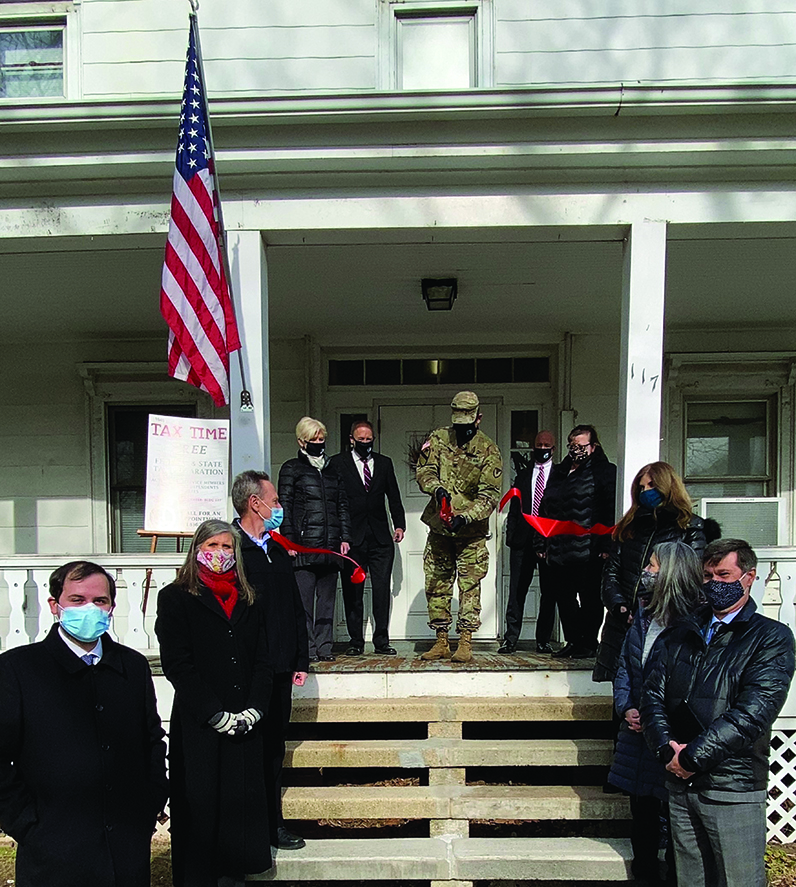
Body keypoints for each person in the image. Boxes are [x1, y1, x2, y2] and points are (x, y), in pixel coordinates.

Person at [0, 561, 168, 887]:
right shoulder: (18, 669)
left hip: (125, 851)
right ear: (55, 605)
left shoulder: (132, 667)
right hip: (52, 853)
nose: (89, 608)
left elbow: (151, 739)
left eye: (100, 601)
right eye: (77, 600)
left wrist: (150, 803)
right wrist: (25, 824)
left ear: (111, 607)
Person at [642, 538, 796, 887]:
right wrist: (667, 749)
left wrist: (693, 757)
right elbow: (652, 696)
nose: (715, 584)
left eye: (724, 575)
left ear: (749, 577)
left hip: (732, 787)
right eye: (708, 576)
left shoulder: (770, 638)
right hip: (680, 784)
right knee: (690, 880)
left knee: (738, 880)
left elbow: (754, 711)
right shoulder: (679, 633)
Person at [156, 520, 272, 887]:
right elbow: (177, 663)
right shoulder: (176, 597)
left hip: (244, 720)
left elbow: (263, 660)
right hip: (202, 721)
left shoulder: (250, 597)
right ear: (197, 549)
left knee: (239, 805)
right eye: (213, 545)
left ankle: (233, 875)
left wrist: (255, 707)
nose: (220, 553)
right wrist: (214, 713)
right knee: (201, 804)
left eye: (227, 546)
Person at [609, 541, 703, 885]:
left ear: (673, 573)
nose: (647, 573)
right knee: (643, 820)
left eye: (653, 566)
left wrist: (656, 721)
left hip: (671, 740)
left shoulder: (694, 623)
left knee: (676, 828)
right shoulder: (643, 616)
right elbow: (625, 668)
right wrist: (626, 707)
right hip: (636, 738)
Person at [231, 469, 309, 851]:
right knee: (249, 753)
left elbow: (294, 607)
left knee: (274, 750)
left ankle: (273, 824)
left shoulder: (276, 548)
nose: (279, 508)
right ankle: (249, 828)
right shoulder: (228, 549)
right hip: (245, 673)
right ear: (254, 503)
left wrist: (301, 658)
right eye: (275, 501)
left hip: (280, 668)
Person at [594, 462, 706, 684]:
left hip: (664, 623)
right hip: (623, 625)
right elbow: (612, 573)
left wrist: (655, 611)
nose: (645, 492)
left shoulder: (690, 528)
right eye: (641, 488)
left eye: (652, 485)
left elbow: (688, 578)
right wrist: (619, 607)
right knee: (623, 694)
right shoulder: (628, 527)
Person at [416, 390, 502, 663]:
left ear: (478, 419)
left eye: (467, 425)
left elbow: (490, 495)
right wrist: (437, 489)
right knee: (437, 583)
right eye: (458, 425)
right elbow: (424, 471)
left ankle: (465, 641)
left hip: (470, 533)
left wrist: (465, 517)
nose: (462, 430)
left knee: (469, 586)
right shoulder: (439, 438)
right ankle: (441, 640)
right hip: (440, 529)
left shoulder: (489, 451)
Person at [538, 424, 617, 658]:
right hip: (559, 548)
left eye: (581, 446)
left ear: (593, 447)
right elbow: (545, 509)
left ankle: (588, 643)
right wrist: (541, 542)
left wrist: (606, 544)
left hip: (590, 549)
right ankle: (573, 640)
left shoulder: (605, 472)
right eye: (572, 445)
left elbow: (609, 510)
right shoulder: (559, 473)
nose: (575, 450)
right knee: (564, 598)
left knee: (590, 598)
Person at [329, 419, 406, 656]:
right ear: (351, 439)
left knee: (381, 590)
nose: (365, 443)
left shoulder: (383, 463)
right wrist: (339, 534)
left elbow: (393, 496)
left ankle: (382, 640)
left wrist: (400, 525)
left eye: (368, 439)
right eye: (360, 439)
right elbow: (332, 500)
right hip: (351, 538)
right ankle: (355, 642)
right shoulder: (338, 463)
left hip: (381, 538)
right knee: (353, 592)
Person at [278, 416, 352, 662]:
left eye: (322, 439)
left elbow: (342, 505)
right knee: (303, 602)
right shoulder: (291, 469)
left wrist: (345, 537)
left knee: (327, 602)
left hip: (331, 546)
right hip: (303, 546)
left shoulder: (333, 470)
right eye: (314, 440)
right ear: (301, 441)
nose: (319, 443)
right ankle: (307, 648)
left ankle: (325, 647)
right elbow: (284, 507)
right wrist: (288, 541)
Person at [499, 430, 556, 654]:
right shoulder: (523, 475)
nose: (541, 449)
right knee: (516, 592)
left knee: (549, 592)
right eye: (538, 445)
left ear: (553, 448)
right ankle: (510, 639)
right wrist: (511, 536)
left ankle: (543, 639)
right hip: (522, 542)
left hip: (549, 541)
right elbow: (514, 508)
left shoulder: (559, 475)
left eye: (546, 445)